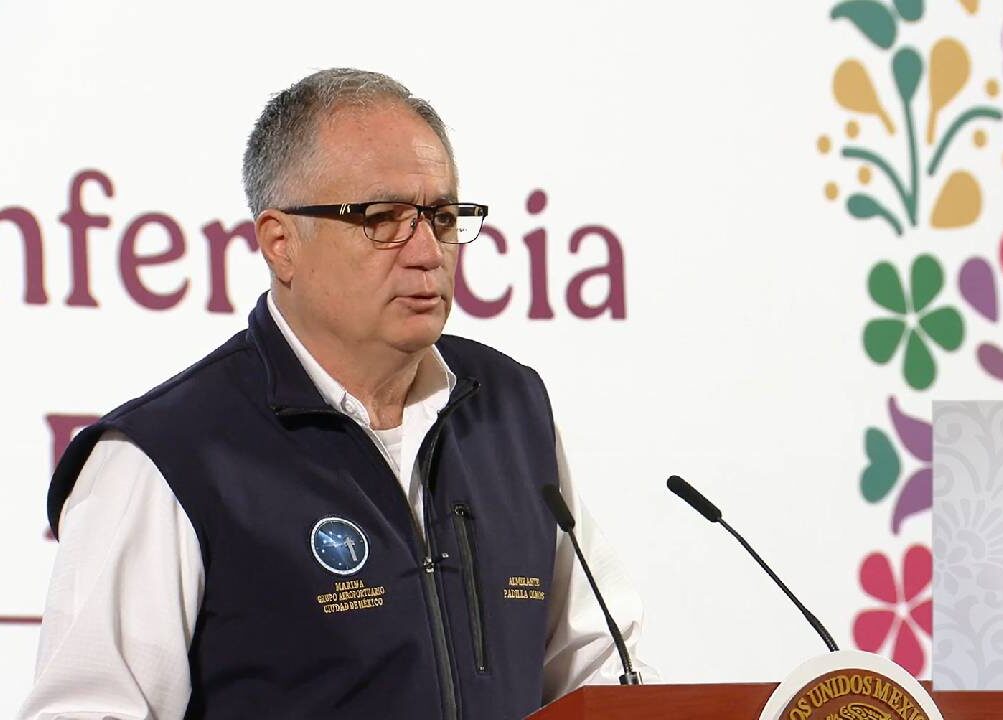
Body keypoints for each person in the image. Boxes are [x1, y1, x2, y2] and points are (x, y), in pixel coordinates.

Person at [19, 68, 647, 719]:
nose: (427, 252)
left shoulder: (513, 411)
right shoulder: (164, 457)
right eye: (383, 219)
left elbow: (595, 668)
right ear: (280, 243)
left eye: (440, 216)